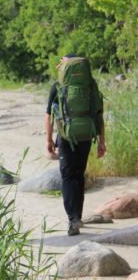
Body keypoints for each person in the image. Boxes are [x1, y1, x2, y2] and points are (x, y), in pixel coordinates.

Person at [45, 54, 106, 236]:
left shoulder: (58, 86)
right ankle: (77, 216)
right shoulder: (90, 86)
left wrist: (48, 140)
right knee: (79, 174)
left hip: (65, 137)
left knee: (68, 176)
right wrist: (102, 141)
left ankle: (73, 219)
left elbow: (48, 115)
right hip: (86, 135)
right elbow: (99, 114)